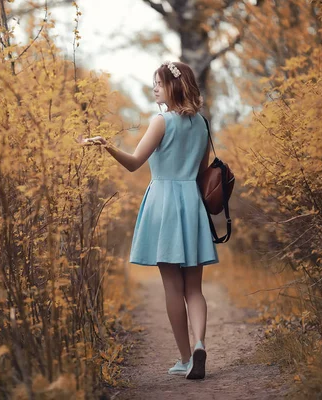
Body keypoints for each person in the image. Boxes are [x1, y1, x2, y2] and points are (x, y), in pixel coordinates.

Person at [80, 61, 219, 380]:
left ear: (174, 86)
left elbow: (133, 164)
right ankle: (199, 343)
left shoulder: (161, 121)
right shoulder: (202, 124)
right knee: (194, 289)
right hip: (191, 203)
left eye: (158, 83)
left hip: (164, 205)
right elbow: (202, 173)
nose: (154, 88)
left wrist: (107, 146)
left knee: (173, 287)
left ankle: (186, 358)